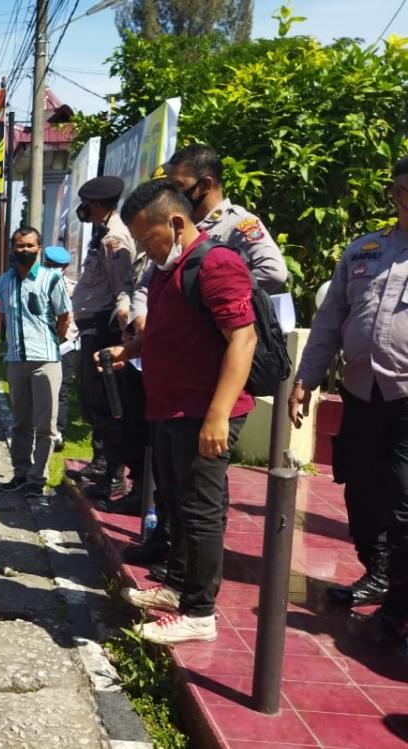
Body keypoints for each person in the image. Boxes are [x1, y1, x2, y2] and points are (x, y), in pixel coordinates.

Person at [123, 145, 291, 563]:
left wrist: (215, 289)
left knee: (200, 496)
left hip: (209, 384)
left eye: (178, 185)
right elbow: (149, 283)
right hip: (172, 388)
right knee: (174, 485)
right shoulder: (171, 232)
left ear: (206, 184)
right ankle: (173, 556)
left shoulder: (234, 228)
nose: (171, 191)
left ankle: (194, 587)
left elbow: (272, 273)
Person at [107, 180, 257, 645]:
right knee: (174, 501)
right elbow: (168, 332)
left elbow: (243, 339)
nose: (146, 249)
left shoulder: (216, 264)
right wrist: (129, 347)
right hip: (169, 408)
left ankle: (199, 613)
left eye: (148, 239)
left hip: (203, 411)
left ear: (175, 222)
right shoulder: (168, 270)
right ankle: (176, 587)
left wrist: (218, 415)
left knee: (200, 510)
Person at [290, 155, 408, 633]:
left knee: (403, 499)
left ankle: (401, 602)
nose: (406, 198)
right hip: (361, 392)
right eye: (401, 189)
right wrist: (306, 378)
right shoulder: (365, 251)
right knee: (359, 489)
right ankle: (378, 574)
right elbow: (329, 322)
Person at [69, 176, 139, 499]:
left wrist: (121, 333)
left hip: (106, 331)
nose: (83, 209)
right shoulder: (101, 233)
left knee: (108, 402)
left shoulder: (114, 238)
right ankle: (102, 463)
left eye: (86, 204)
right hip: (91, 330)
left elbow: (121, 289)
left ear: (96, 205)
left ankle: (115, 473)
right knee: (92, 400)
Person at [0, 227, 71, 497]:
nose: (23, 250)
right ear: (12, 249)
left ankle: (38, 478)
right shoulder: (2, 282)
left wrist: (52, 343)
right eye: (18, 245)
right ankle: (21, 473)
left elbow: (64, 317)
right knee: (20, 422)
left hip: (46, 360)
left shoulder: (51, 279)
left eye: (29, 245)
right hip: (16, 360)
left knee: (45, 425)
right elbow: (1, 316)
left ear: (39, 248)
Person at [41, 246, 79, 451]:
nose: (53, 269)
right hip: (42, 347)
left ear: (65, 267)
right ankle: (41, 431)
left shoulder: (73, 288)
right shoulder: (37, 284)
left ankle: (58, 432)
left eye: (57, 266)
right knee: (41, 391)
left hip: (65, 346)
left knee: (61, 391)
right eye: (50, 265)